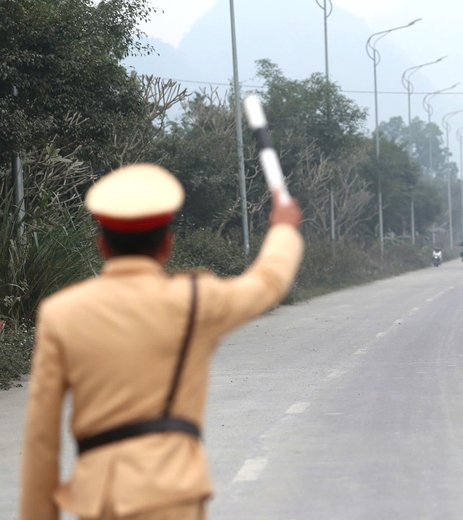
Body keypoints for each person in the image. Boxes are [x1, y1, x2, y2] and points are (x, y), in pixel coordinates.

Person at [19, 163, 304, 520]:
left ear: (102, 244)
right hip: (172, 497)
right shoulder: (195, 301)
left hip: (100, 502)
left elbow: (41, 439)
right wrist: (283, 230)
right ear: (167, 244)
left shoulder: (61, 313)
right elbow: (268, 282)